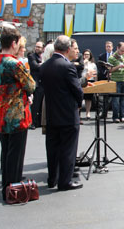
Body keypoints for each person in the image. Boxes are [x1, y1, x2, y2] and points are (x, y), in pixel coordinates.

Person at [0, 27, 35, 201]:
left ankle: (6, 188)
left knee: (8, 152)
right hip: (16, 114)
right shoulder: (14, 63)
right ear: (14, 43)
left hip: (2, 111)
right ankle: (14, 190)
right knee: (16, 155)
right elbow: (31, 85)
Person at [40, 35, 84, 191]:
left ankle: (52, 179)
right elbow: (77, 90)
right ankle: (65, 181)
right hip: (67, 115)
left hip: (52, 114)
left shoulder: (45, 66)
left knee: (52, 149)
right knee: (68, 150)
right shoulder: (67, 66)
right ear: (67, 49)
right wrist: (79, 104)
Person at [108, 42, 124, 123]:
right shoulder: (112, 57)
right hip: (116, 81)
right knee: (116, 100)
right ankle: (115, 117)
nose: (123, 52)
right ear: (117, 48)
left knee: (123, 100)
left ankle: (122, 116)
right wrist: (119, 66)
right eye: (121, 50)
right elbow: (110, 70)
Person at [28, 41, 45, 129]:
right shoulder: (32, 56)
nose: (37, 48)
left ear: (43, 48)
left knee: (41, 104)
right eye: (36, 47)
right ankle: (33, 122)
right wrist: (44, 64)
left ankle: (39, 121)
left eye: (39, 47)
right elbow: (35, 66)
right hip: (36, 83)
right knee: (35, 104)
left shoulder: (43, 57)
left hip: (43, 83)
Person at [97, 41, 113, 119]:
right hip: (104, 78)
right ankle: (104, 114)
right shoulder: (102, 56)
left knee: (111, 98)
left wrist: (111, 73)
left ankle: (115, 114)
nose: (108, 48)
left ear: (112, 47)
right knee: (104, 98)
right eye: (107, 46)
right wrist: (105, 73)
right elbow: (100, 67)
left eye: (109, 46)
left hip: (113, 79)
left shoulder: (115, 56)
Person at [81, 49, 98, 120]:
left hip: (90, 81)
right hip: (82, 81)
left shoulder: (93, 64)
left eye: (88, 54)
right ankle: (79, 114)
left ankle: (88, 113)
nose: (86, 56)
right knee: (81, 98)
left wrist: (96, 83)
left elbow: (95, 75)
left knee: (88, 99)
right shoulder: (81, 63)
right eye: (85, 54)